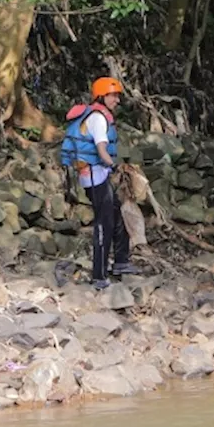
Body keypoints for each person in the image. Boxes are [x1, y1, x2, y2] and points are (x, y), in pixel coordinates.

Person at [61, 77, 138, 290]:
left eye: (117, 96)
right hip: (95, 177)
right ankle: (99, 275)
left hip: (98, 175)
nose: (117, 100)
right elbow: (102, 150)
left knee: (117, 214)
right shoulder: (98, 119)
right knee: (104, 224)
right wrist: (115, 166)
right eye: (113, 96)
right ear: (102, 96)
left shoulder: (98, 115)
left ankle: (121, 262)